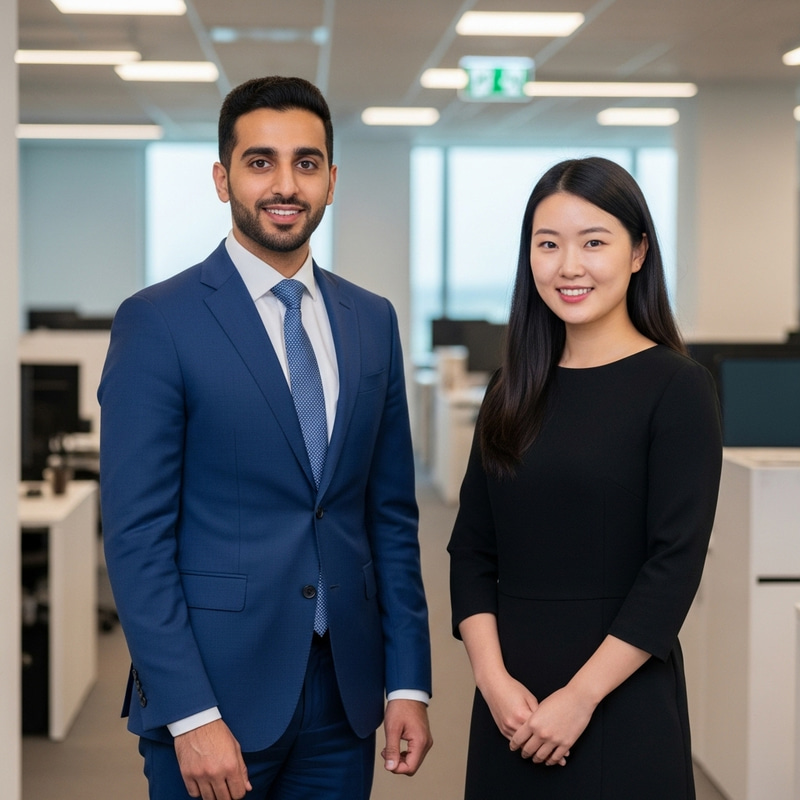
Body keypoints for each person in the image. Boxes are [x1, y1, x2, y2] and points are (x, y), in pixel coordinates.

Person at [99, 75, 432, 800]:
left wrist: (409, 680)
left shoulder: (372, 320)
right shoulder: (158, 321)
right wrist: (190, 713)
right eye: (260, 162)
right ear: (223, 179)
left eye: (306, 163)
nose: (285, 184)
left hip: (345, 695)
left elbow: (389, 517)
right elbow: (135, 538)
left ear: (331, 180)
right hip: (214, 694)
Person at [447, 157, 722, 799]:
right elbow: (471, 549)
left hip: (619, 695)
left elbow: (673, 567)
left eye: (593, 242)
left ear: (638, 252)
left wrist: (579, 697)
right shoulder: (509, 389)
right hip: (510, 703)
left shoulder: (678, 387)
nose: (568, 266)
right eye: (548, 245)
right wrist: (491, 681)